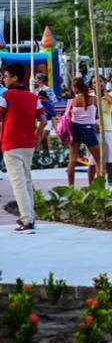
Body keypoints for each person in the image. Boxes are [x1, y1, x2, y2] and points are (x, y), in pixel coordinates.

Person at [1, 64, 46, 234]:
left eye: (6, 76)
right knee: (26, 179)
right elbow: (42, 119)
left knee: (18, 182)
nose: (4, 79)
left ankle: (27, 221)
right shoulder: (32, 97)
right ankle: (29, 216)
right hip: (28, 144)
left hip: (11, 142)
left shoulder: (6, 95)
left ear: (15, 78)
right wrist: (38, 135)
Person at [65, 78, 102, 187]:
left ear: (76, 88)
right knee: (99, 160)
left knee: (72, 160)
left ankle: (71, 187)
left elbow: (68, 116)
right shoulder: (94, 99)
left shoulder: (72, 101)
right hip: (89, 129)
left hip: (74, 129)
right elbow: (97, 116)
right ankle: (99, 187)